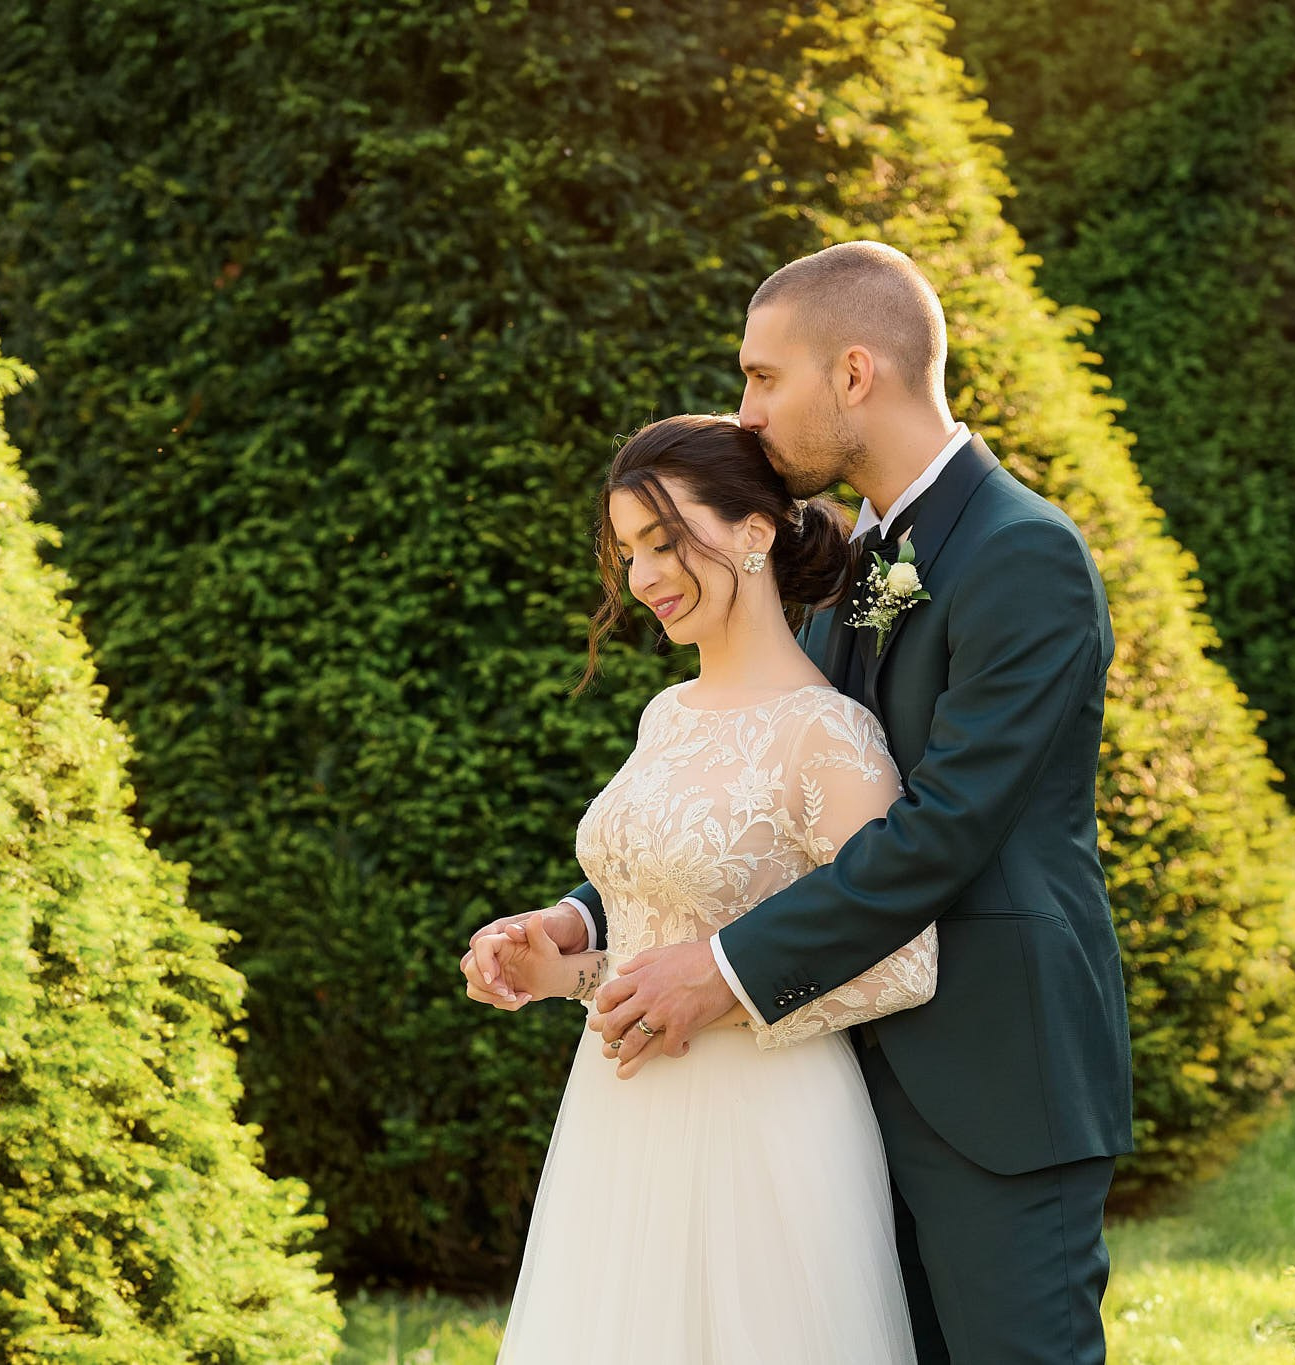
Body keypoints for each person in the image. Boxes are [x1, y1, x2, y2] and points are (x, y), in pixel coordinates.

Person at [469, 240, 1133, 1364]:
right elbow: (759, 800)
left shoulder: (1023, 555)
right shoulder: (850, 571)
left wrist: (721, 971)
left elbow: (942, 829)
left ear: (855, 373)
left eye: (761, 377)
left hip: (988, 1078)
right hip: (828, 1084)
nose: (746, 414)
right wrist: (584, 918)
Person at [463, 412, 939, 1364]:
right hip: (621, 1120)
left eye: (665, 540)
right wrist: (560, 965)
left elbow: (903, 964)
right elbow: (654, 949)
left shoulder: (830, 734)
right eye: (628, 550)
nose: (641, 577)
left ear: (754, 533)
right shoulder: (665, 714)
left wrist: (722, 995)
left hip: (766, 1134)